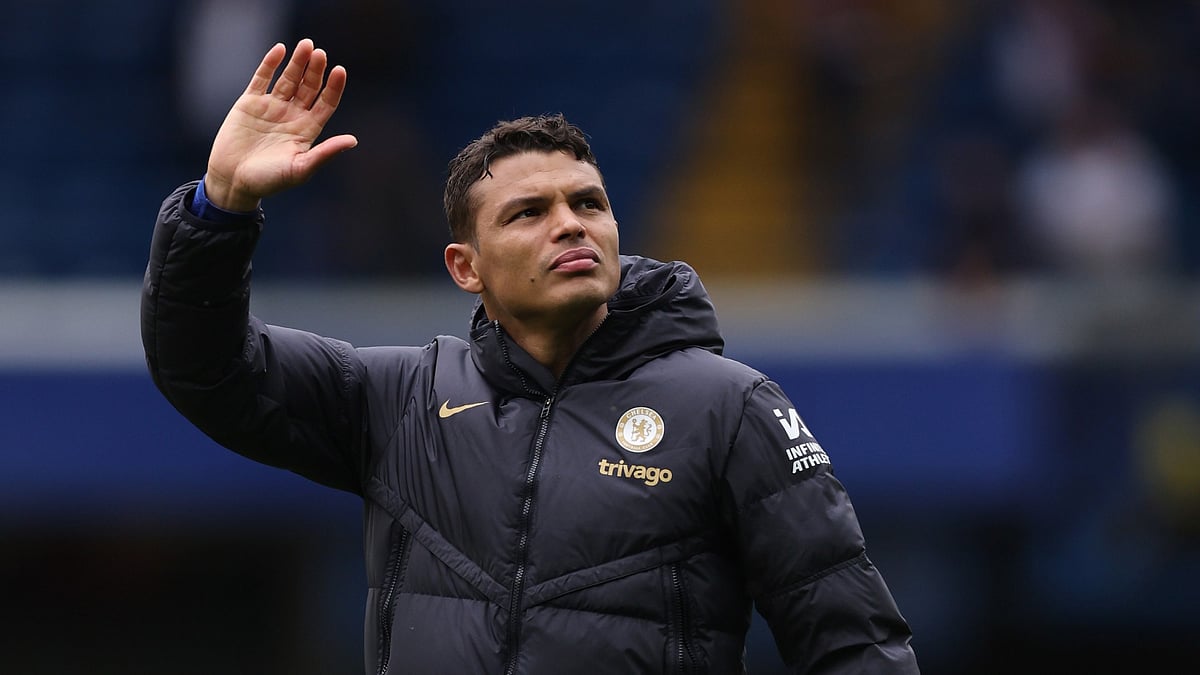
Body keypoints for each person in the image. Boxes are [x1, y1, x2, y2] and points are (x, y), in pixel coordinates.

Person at [141, 39, 920, 674]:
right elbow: (207, 366)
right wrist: (221, 206)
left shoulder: (731, 407)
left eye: (589, 203)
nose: (571, 224)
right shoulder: (401, 397)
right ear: (466, 268)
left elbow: (853, 641)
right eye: (528, 213)